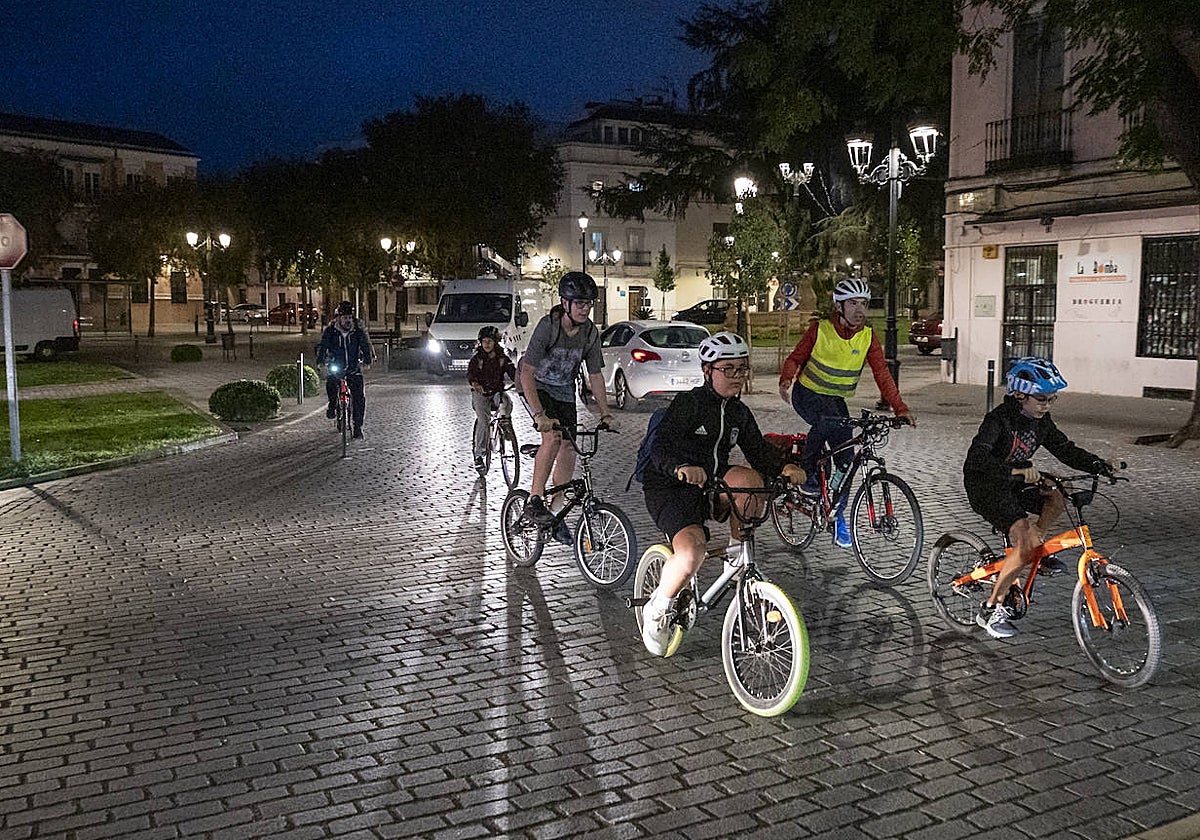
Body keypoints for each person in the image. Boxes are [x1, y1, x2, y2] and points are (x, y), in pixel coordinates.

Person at [640, 331, 807, 657]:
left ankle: (737, 554)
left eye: (741, 369)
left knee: (750, 480)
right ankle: (657, 609)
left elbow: (758, 451)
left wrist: (784, 468)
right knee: (690, 554)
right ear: (707, 371)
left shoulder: (738, 412)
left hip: (710, 483)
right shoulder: (688, 404)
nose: (736, 377)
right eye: (727, 369)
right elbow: (658, 447)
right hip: (671, 487)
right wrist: (681, 467)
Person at [963, 357, 1115, 640]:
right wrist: (1016, 470)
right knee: (1023, 541)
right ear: (1020, 395)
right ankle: (989, 610)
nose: (1046, 405)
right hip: (986, 486)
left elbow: (1064, 449)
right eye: (1041, 399)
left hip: (1016, 482)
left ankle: (1035, 551)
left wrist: (1098, 465)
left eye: (1052, 399)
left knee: (1057, 496)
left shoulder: (1041, 421)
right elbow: (977, 460)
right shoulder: (998, 420)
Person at [777, 277, 914, 547]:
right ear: (839, 306)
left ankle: (837, 516)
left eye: (863, 303)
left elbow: (882, 373)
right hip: (807, 394)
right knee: (826, 422)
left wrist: (900, 407)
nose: (859, 309)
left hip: (835, 398)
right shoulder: (821, 330)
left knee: (847, 459)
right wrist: (786, 378)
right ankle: (808, 476)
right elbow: (796, 357)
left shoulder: (867, 337)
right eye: (852, 303)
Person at [519, 271, 616, 544]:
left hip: (563, 390)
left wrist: (605, 412)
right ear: (565, 303)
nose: (585, 309)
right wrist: (539, 415)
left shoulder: (589, 333)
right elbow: (527, 371)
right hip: (535, 386)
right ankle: (534, 499)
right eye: (580, 303)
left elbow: (595, 374)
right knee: (552, 436)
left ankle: (555, 511)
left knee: (570, 447)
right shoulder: (547, 327)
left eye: (589, 304)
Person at [316, 301, 373, 439]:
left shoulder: (357, 331)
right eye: (344, 318)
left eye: (349, 317)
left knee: (359, 398)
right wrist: (321, 362)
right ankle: (332, 405)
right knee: (331, 383)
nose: (347, 320)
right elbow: (323, 346)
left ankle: (358, 427)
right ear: (338, 318)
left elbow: (365, 345)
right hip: (337, 365)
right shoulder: (331, 331)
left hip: (353, 367)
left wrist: (367, 361)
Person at [467, 325, 516, 472]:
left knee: (506, 402)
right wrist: (475, 384)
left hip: (496, 392)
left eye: (490, 341)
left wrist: (520, 383)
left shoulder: (502, 358)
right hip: (480, 393)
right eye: (484, 341)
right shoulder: (477, 359)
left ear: (495, 342)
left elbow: (512, 372)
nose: (487, 344)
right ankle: (479, 455)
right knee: (484, 421)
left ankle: (505, 424)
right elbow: (470, 374)